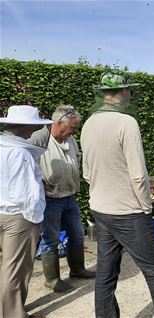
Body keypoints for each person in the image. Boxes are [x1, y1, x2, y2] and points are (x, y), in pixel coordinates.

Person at [81, 70, 154, 317]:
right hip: (128, 211)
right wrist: (146, 207)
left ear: (103, 93)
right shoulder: (127, 123)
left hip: (100, 208)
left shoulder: (89, 122)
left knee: (106, 272)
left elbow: (86, 172)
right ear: (124, 91)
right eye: (130, 90)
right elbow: (138, 175)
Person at [28, 105, 95, 293]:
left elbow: (78, 157)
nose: (74, 131)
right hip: (51, 199)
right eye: (72, 127)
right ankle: (52, 279)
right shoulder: (39, 138)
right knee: (50, 239)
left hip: (70, 196)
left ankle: (77, 270)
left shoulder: (70, 138)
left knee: (77, 234)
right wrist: (40, 182)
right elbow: (27, 163)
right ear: (58, 123)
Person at [0, 105, 52, 318]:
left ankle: (8, 310)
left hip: (3, 212)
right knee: (15, 270)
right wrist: (34, 217)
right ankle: (13, 315)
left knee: (5, 266)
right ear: (26, 127)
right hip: (18, 217)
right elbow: (26, 193)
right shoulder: (20, 153)